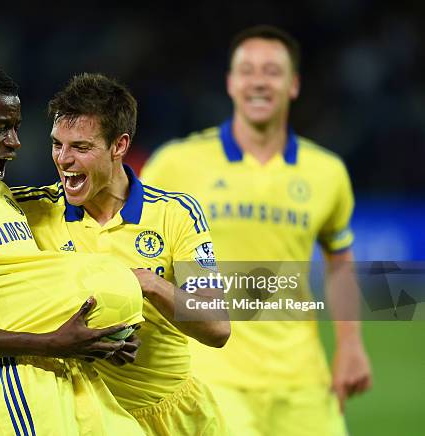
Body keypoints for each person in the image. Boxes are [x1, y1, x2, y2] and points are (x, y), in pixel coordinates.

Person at [0, 72, 231, 435]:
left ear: (119, 146)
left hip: (177, 410)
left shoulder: (176, 213)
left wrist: (147, 283)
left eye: (81, 148)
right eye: (57, 144)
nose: (64, 159)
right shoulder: (31, 209)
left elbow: (217, 327)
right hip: (89, 410)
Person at [140, 25, 373, 436]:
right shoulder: (176, 163)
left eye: (272, 70)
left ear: (294, 84)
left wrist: (351, 345)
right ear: (230, 83)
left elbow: (339, 262)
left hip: (303, 381)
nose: (259, 81)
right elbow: (139, 250)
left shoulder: (327, 172)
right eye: (247, 70)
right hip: (212, 374)